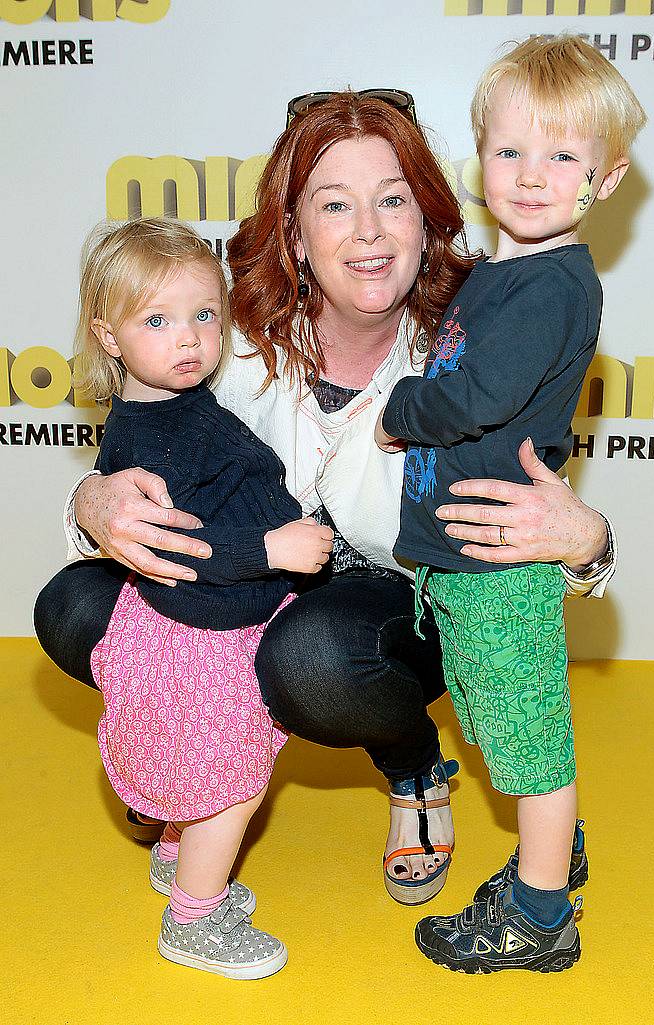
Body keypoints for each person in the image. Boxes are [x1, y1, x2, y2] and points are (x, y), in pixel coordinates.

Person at [34, 90, 617, 912]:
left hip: (392, 609)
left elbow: (537, 505)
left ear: (430, 219)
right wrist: (92, 499)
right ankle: (185, 753)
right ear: (295, 233)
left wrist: (587, 538)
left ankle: (413, 767)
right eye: (333, 205)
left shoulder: (483, 341)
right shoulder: (218, 333)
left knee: (312, 656)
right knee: (73, 603)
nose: (369, 231)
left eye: (393, 200)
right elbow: (136, 440)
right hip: (241, 583)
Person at [376, 37, 644, 971]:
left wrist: (398, 412)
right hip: (463, 561)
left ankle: (536, 916)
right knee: (498, 722)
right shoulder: (499, 275)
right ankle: (549, 855)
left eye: (561, 156)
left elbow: (474, 397)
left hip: (500, 566)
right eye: (509, 152)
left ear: (604, 179)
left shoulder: (551, 285)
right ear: (479, 156)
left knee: (530, 745)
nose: (530, 177)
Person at [70, 217, 333, 979]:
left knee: (205, 759)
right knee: (230, 782)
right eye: (156, 320)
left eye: (203, 315)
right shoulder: (152, 440)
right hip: (199, 633)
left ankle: (177, 851)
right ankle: (192, 916)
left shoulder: (172, 407)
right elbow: (177, 548)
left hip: (224, 621)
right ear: (108, 336)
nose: (187, 338)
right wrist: (270, 550)